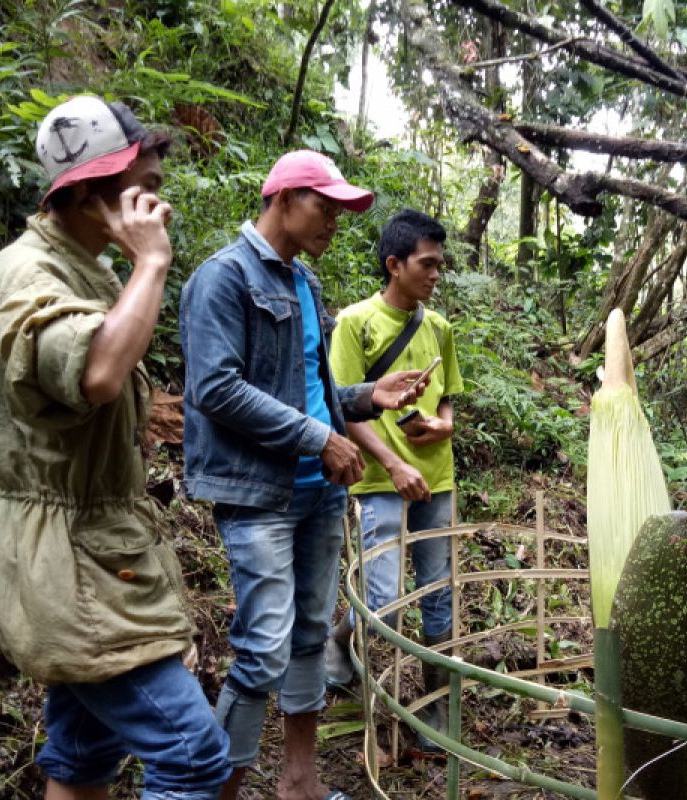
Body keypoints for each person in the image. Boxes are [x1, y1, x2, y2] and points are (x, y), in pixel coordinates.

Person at [0, 95, 231, 799]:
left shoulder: (83, 263)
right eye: (141, 190)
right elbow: (98, 373)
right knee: (193, 754)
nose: (158, 208)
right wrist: (151, 264)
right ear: (86, 195)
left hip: (93, 549)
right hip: (72, 563)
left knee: (85, 749)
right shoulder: (29, 274)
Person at [179, 151, 427, 800]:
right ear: (283, 198)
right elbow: (214, 388)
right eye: (326, 206)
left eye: (343, 212)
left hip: (319, 495)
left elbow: (308, 391)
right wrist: (317, 438)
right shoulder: (222, 278)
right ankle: (217, 791)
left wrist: (369, 397)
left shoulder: (306, 284)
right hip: (259, 492)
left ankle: (300, 781)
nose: (335, 222)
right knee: (262, 646)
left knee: (310, 635)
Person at [326, 209, 463, 751]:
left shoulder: (440, 329)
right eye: (426, 264)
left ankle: (433, 714)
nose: (434, 274)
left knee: (439, 595)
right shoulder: (354, 324)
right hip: (380, 480)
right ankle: (367, 689)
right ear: (394, 264)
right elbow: (343, 409)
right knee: (383, 600)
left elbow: (448, 396)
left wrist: (444, 425)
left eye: (439, 265)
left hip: (437, 477)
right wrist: (394, 463)